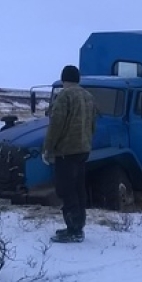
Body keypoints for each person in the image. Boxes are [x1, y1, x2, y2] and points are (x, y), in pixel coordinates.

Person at [42, 65, 96, 243]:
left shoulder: (64, 96)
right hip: (83, 149)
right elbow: (93, 124)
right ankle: (78, 225)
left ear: (64, 78)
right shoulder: (88, 96)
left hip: (66, 150)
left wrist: (48, 148)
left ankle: (73, 230)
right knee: (79, 188)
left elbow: (56, 124)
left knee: (66, 189)